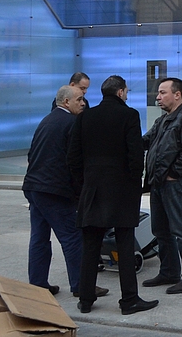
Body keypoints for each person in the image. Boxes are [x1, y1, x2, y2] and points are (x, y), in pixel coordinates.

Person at [67, 75, 158, 315]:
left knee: (90, 246)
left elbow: (73, 157)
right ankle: (129, 300)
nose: (127, 95)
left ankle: (85, 300)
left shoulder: (86, 116)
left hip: (93, 190)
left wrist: (84, 184)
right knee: (125, 246)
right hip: (121, 191)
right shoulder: (129, 116)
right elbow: (135, 156)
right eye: (126, 91)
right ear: (119, 93)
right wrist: (134, 184)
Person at [22, 84, 107, 298]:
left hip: (35, 186)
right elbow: (75, 161)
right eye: (79, 99)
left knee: (39, 238)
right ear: (66, 102)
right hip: (54, 190)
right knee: (72, 237)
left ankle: (38, 283)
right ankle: (82, 285)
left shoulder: (48, 120)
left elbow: (32, 154)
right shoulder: (72, 122)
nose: (83, 103)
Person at [142, 77, 182, 294]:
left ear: (177, 94)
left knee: (180, 229)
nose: (158, 97)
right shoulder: (162, 121)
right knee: (160, 229)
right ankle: (169, 271)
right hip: (158, 182)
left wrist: (173, 175)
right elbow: (146, 141)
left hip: (174, 183)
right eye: (158, 93)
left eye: (162, 93)